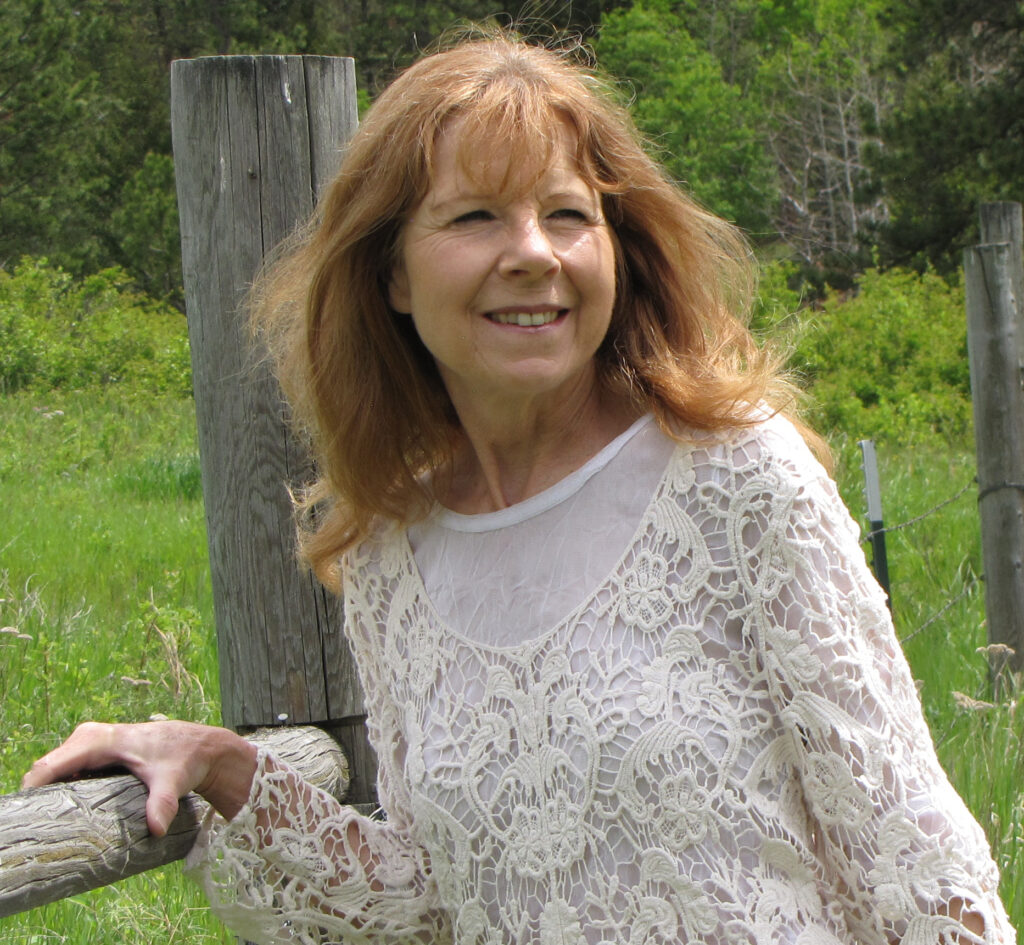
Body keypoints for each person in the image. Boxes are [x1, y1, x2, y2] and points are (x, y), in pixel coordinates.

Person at [24, 31, 1013, 945]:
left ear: (614, 251)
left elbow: (912, 852)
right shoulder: (389, 555)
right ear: (393, 276)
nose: (533, 251)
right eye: (475, 216)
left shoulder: (733, 477)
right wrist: (220, 765)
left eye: (567, 215)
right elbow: (428, 897)